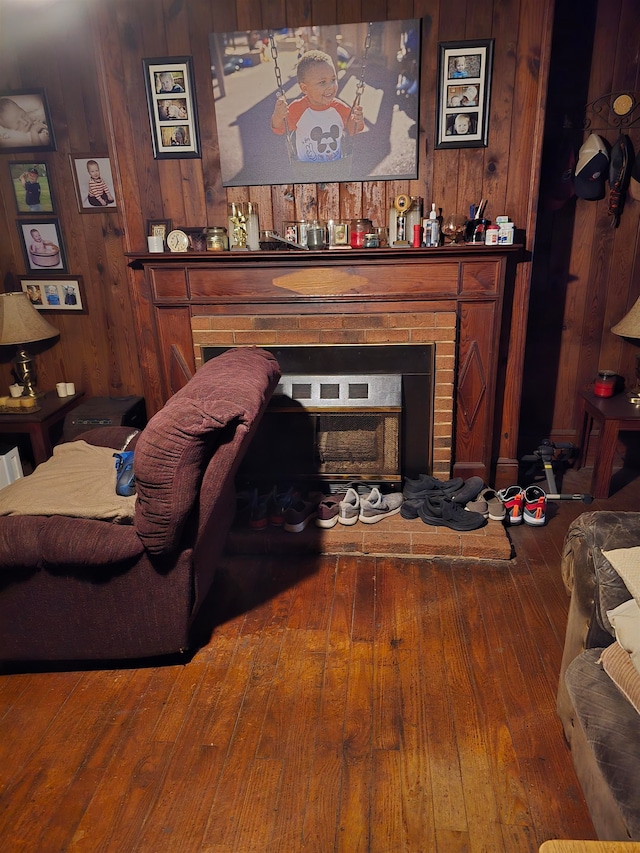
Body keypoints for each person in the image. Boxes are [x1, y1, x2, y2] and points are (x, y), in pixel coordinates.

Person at [270, 49, 364, 163]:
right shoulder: (297, 109)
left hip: (336, 167)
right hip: (307, 169)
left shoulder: (340, 108)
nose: (331, 86)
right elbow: (279, 129)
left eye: (333, 79)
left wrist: (358, 121)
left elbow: (353, 129)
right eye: (322, 82)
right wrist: (278, 116)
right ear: (304, 88)